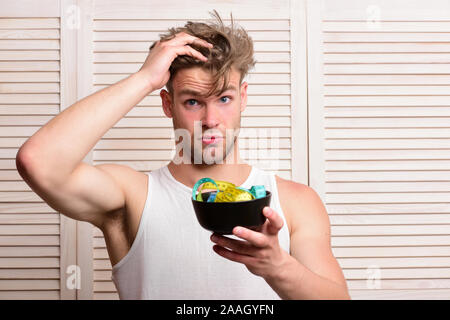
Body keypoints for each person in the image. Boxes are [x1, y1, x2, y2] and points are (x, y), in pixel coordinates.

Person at [15, 11, 349, 300]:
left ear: (243, 97)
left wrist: (279, 267)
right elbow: (38, 162)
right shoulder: (131, 196)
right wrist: (144, 79)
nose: (210, 120)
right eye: (192, 101)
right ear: (167, 103)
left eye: (224, 99)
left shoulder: (296, 202)